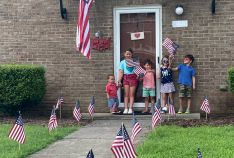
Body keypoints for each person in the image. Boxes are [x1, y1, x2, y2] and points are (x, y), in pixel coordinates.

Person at [117, 48, 138, 114]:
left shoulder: (135, 61)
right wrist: (119, 80)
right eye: (127, 54)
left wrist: (139, 76)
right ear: (124, 54)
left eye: (129, 54)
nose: (128, 55)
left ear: (132, 54)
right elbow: (121, 71)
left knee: (131, 94)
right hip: (126, 77)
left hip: (133, 77)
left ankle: (130, 108)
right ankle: (125, 108)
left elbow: (138, 71)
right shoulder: (122, 62)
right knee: (126, 94)